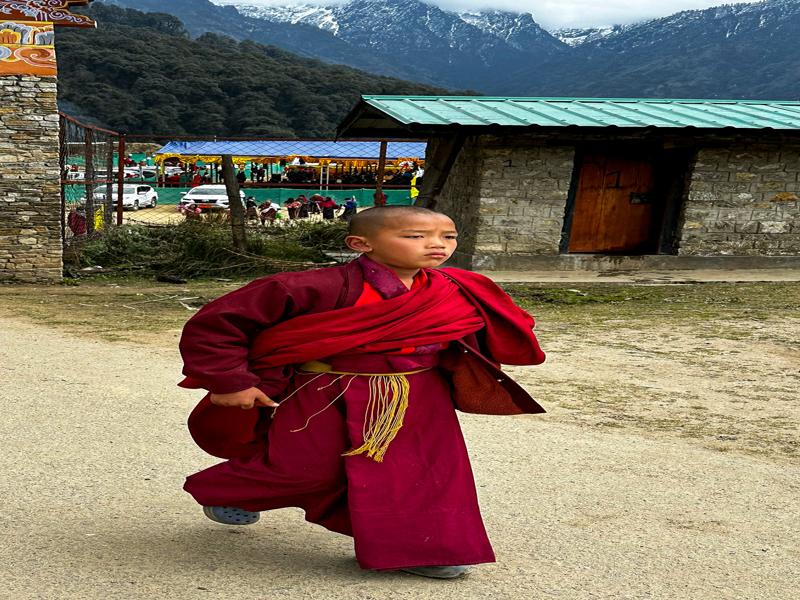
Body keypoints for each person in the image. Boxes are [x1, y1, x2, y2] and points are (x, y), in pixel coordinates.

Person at [177, 206, 546, 579]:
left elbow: (503, 322)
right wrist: (232, 380)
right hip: (325, 390)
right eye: (415, 236)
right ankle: (225, 490)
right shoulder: (311, 286)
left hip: (419, 392)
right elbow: (217, 325)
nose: (437, 245)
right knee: (306, 469)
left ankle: (426, 548)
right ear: (360, 244)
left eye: (448, 237)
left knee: (423, 473)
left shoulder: (454, 287)